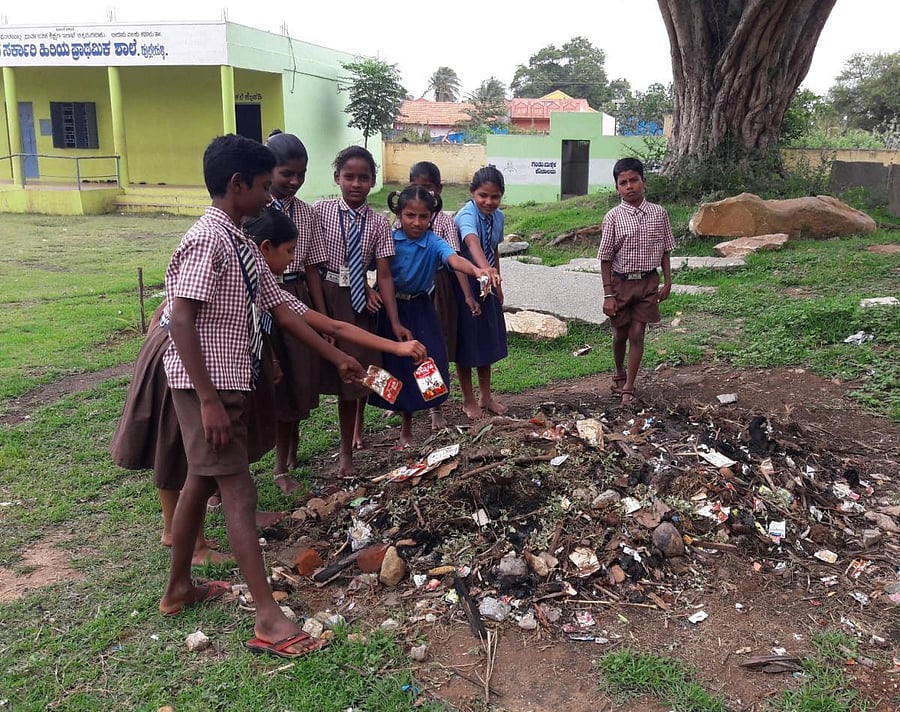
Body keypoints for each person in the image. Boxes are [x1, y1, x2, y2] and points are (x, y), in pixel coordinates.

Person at [158, 135, 424, 659]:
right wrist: (208, 400)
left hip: (225, 383)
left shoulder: (241, 243)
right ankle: (269, 619)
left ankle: (179, 589)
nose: (268, 196)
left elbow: (294, 313)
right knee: (238, 493)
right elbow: (180, 318)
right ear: (238, 186)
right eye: (262, 186)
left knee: (199, 481)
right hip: (205, 386)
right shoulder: (207, 241)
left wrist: (339, 354)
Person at [370, 185, 498, 447]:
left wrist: (476, 270)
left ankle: (431, 406)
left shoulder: (433, 242)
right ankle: (395, 418)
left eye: (423, 217)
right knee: (391, 366)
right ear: (399, 214)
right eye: (410, 216)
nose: (416, 222)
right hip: (390, 308)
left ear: (431, 217)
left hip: (421, 307)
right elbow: (372, 268)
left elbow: (453, 259)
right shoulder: (390, 240)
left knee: (431, 361)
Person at [312, 146, 408, 478]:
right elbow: (317, 263)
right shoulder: (320, 212)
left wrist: (393, 320)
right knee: (335, 374)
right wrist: (324, 314)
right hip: (329, 297)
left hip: (361, 307)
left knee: (363, 372)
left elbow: (383, 273)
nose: (355, 184)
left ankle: (353, 438)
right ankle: (324, 453)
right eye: (349, 176)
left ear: (372, 182)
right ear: (337, 177)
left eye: (363, 178)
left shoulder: (379, 222)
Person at [265, 132, 327, 493]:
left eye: (301, 175)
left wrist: (320, 317)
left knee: (295, 382)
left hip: (296, 294)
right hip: (261, 300)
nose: (293, 182)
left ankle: (283, 463)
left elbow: (313, 268)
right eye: (286, 173)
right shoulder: (253, 211)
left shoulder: (306, 212)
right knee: (266, 382)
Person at [598, 157, 674, 406]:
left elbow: (665, 249)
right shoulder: (613, 217)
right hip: (620, 284)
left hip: (648, 282)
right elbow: (606, 258)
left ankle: (629, 386)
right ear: (617, 187)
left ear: (644, 181)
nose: (629, 186)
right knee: (620, 333)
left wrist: (667, 281)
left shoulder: (659, 213)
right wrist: (608, 294)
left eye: (634, 180)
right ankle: (619, 371)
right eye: (623, 183)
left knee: (638, 332)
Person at [408, 161, 462, 430]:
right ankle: (402, 404)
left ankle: (434, 407)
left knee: (433, 349)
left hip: (436, 287)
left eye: (427, 188)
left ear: (438, 190)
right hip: (403, 295)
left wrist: (470, 290)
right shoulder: (402, 219)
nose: (422, 193)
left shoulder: (442, 222)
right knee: (403, 350)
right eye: (415, 186)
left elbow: (454, 259)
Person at [453, 166, 509, 420]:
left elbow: (493, 248)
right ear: (472, 193)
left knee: (487, 340)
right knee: (466, 343)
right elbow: (471, 241)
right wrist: (482, 269)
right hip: (464, 282)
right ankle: (468, 399)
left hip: (488, 283)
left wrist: (496, 280)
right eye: (483, 195)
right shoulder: (466, 214)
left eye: (495, 197)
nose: (488, 201)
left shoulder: (498, 218)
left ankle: (486, 396)